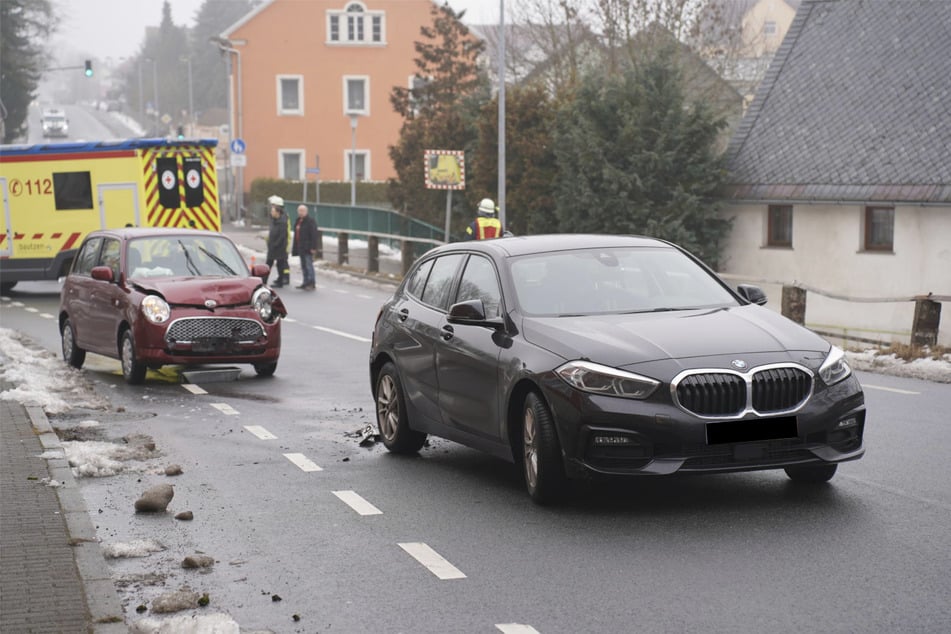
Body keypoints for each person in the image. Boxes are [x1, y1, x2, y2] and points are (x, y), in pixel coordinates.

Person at [292, 204, 318, 290]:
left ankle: (311, 282)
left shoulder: (310, 221)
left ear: (306, 212)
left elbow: (314, 234)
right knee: (303, 266)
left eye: (302, 211)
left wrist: (313, 247)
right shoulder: (298, 221)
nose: (301, 213)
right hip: (300, 247)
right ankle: (305, 282)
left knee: (308, 265)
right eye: (299, 211)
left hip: (308, 247)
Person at [266, 195, 290, 287]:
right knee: (280, 263)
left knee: (281, 263)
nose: (271, 208)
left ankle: (285, 278)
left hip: (280, 245)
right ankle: (282, 279)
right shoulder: (274, 218)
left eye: (272, 205)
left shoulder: (283, 218)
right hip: (275, 245)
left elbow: (284, 233)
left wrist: (276, 244)